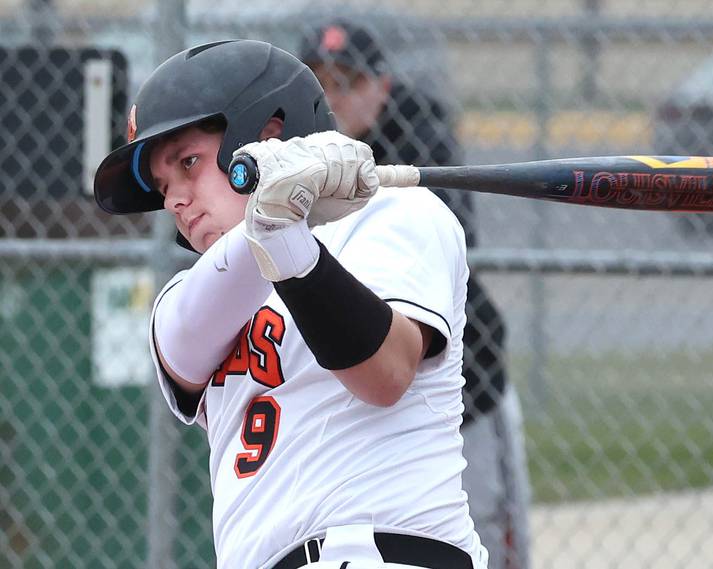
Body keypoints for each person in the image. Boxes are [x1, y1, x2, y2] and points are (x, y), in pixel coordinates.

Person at [94, 40, 488, 569]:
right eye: (164, 186)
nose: (175, 201)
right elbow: (188, 340)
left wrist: (288, 232)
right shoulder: (182, 301)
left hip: (387, 552)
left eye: (189, 164)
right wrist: (277, 223)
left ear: (268, 134)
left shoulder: (397, 213)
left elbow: (385, 374)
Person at [298, 21, 532, 569]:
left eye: (347, 83)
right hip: (348, 394)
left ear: (381, 87)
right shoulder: (281, 151)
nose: (332, 100)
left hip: (460, 385)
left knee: (487, 528)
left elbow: (447, 243)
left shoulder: (420, 134)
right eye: (319, 84)